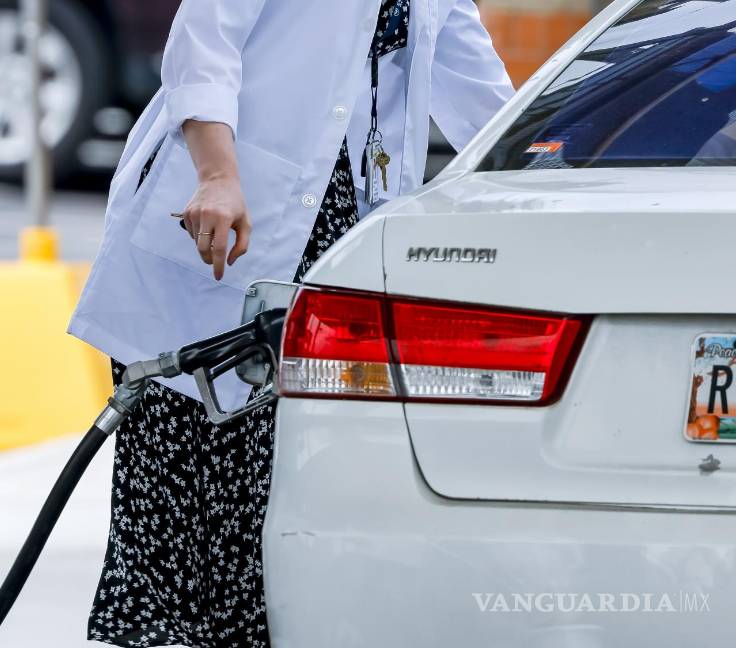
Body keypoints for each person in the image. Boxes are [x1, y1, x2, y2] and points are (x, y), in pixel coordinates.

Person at [69, 1, 514, 645]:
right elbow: (202, 40)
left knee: (297, 486)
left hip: (342, 234)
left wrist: (555, 173)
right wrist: (218, 174)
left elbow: (477, 89)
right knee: (189, 506)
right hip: (226, 210)